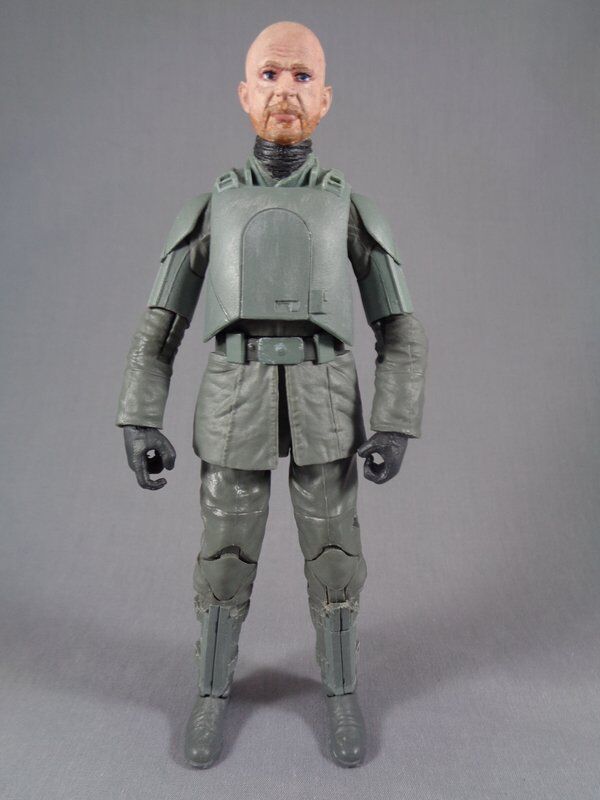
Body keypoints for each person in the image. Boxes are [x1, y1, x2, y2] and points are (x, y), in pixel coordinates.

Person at [117, 21, 428, 769]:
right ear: (244, 93)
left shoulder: (350, 211)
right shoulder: (209, 211)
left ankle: (342, 689)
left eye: (301, 76)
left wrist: (394, 423)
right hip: (236, 395)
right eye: (270, 74)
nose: (284, 90)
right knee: (224, 555)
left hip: (325, 400)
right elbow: (160, 326)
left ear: (324, 99)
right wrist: (139, 415)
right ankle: (211, 690)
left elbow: (399, 329)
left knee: (335, 555)